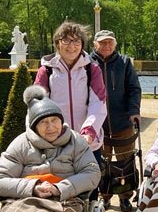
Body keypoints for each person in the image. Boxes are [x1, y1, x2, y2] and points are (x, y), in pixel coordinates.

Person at [34, 21, 107, 168]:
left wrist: (89, 131)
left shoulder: (92, 69)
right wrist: (52, 133)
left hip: (88, 144)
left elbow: (98, 103)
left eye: (76, 41)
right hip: (57, 144)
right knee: (59, 188)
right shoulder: (46, 71)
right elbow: (38, 106)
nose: (72, 46)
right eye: (66, 40)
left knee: (90, 188)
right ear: (57, 43)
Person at [90, 30, 142, 212]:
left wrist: (134, 110)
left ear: (115, 44)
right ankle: (104, 195)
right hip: (97, 124)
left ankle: (125, 196)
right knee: (101, 162)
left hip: (122, 121)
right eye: (102, 43)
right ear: (95, 44)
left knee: (125, 161)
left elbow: (134, 89)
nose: (106, 46)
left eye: (109, 42)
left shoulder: (125, 62)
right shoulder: (88, 63)